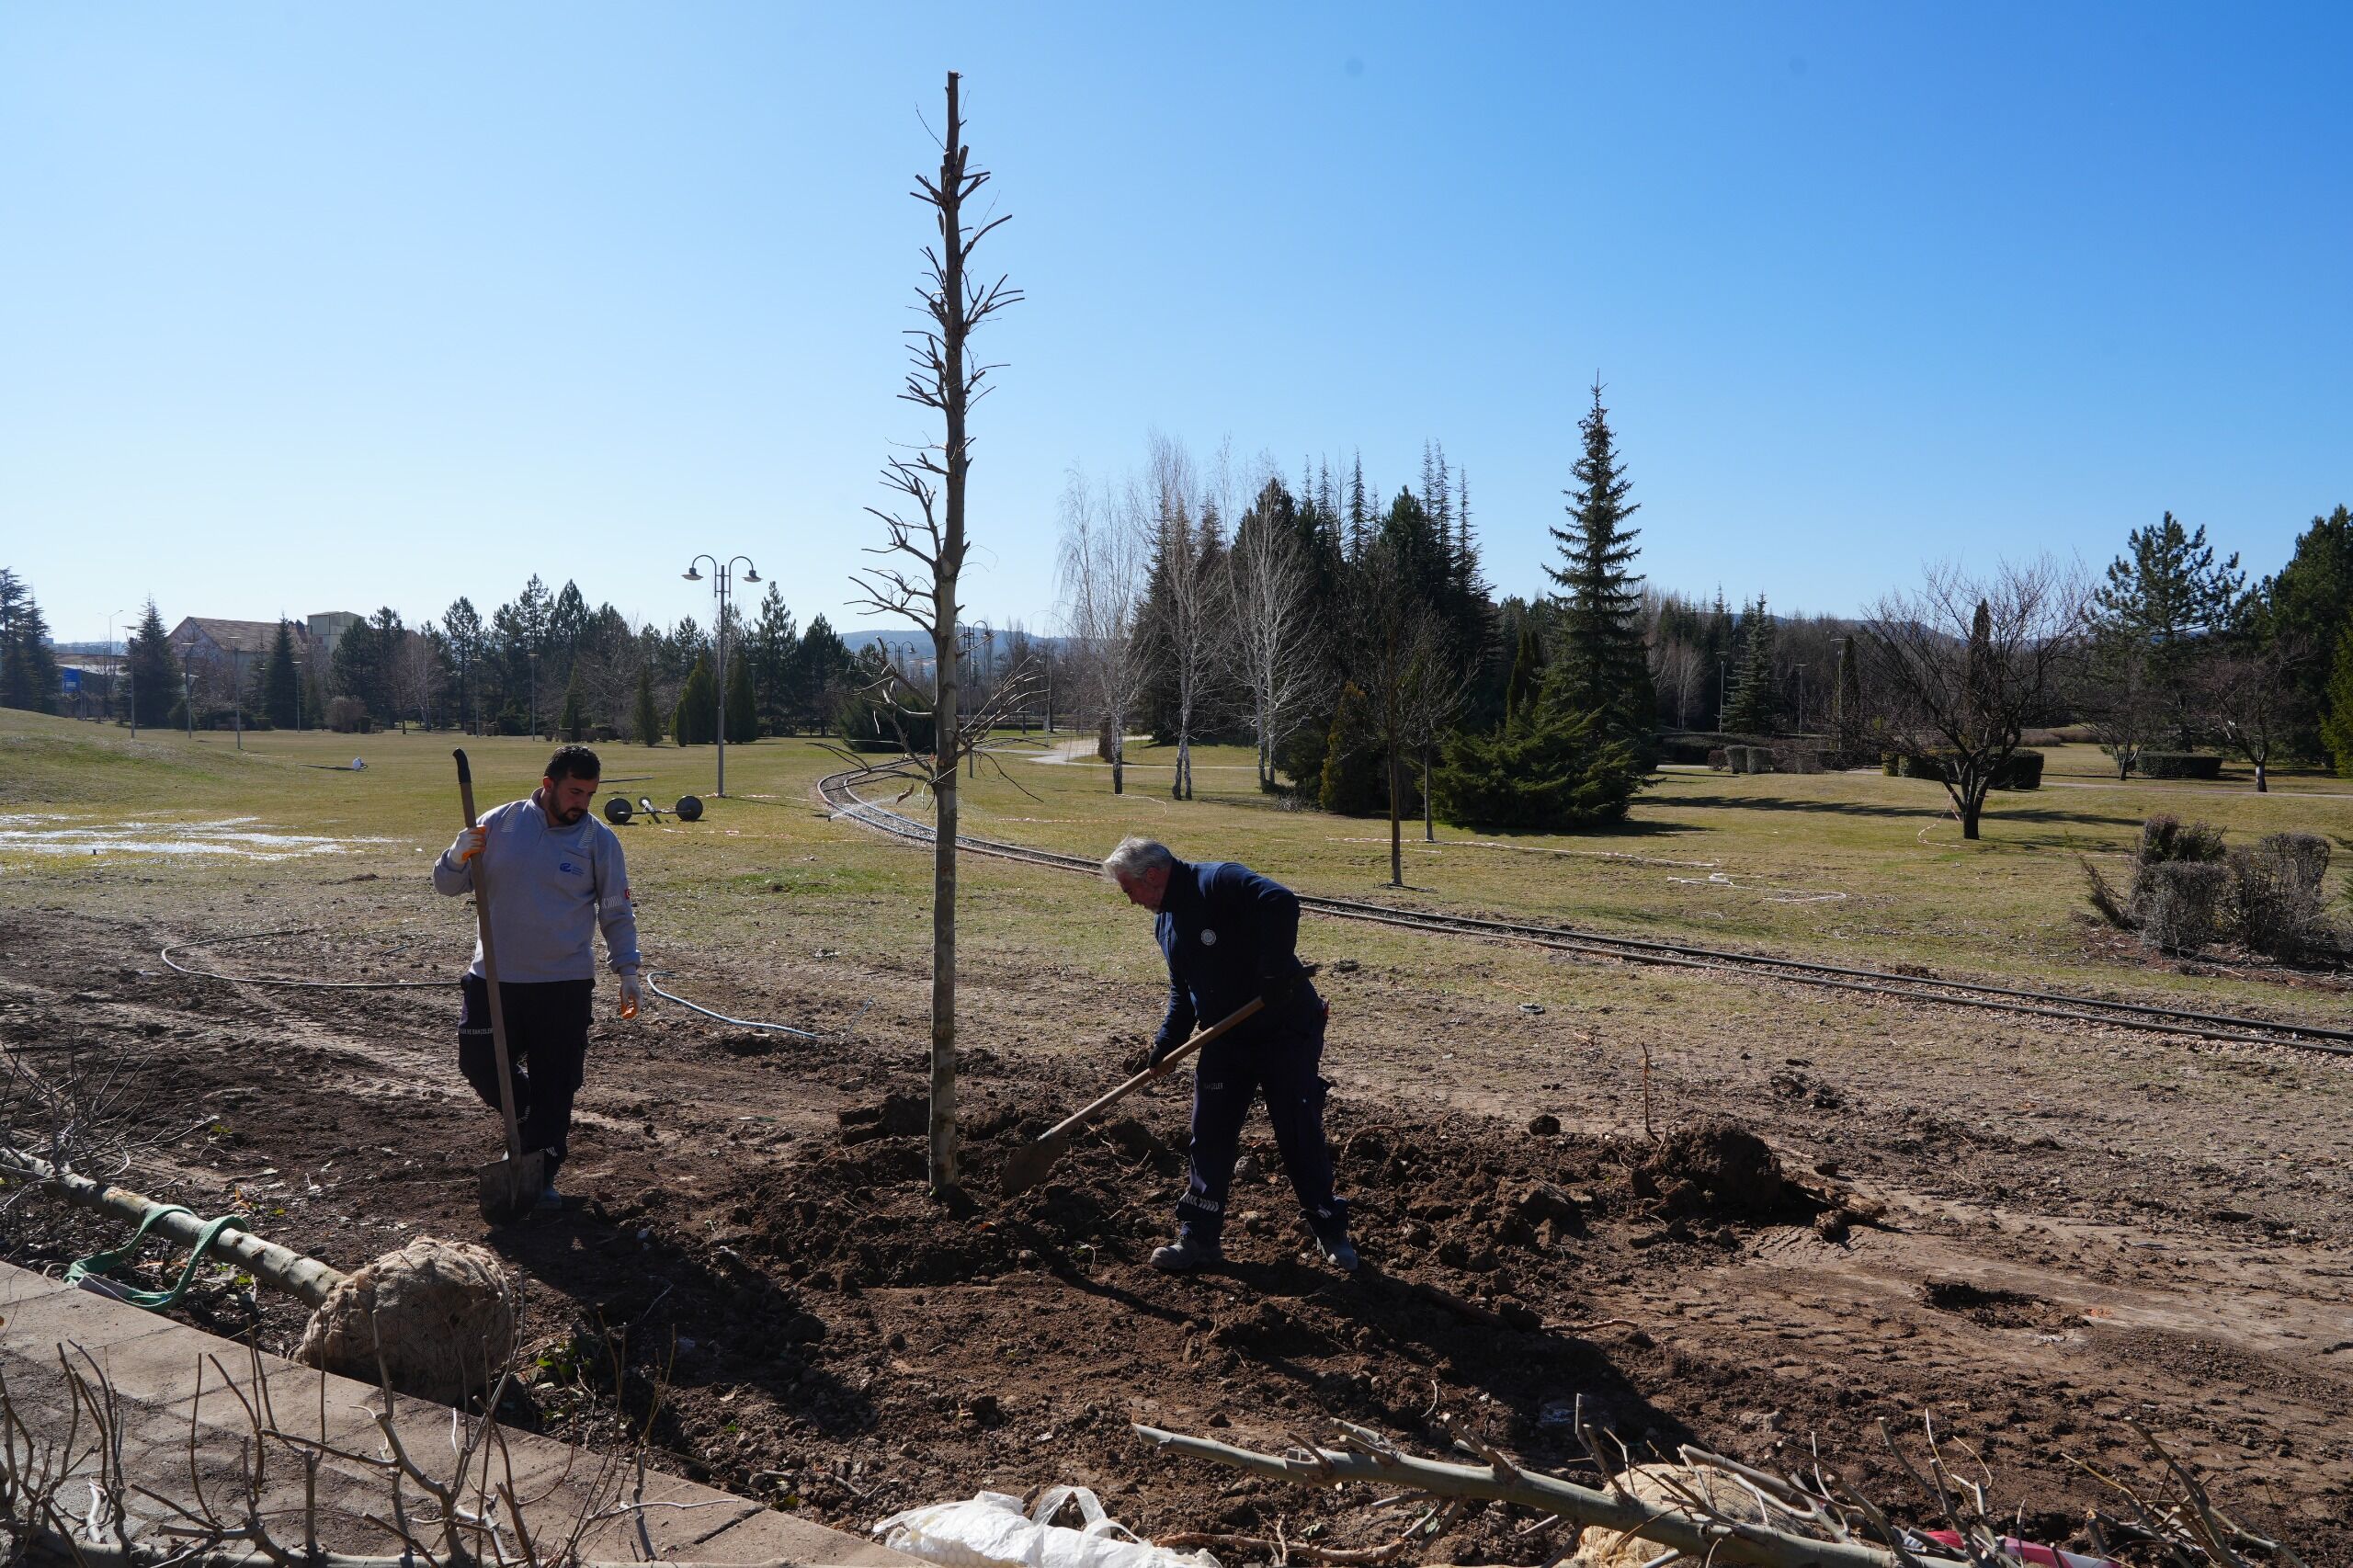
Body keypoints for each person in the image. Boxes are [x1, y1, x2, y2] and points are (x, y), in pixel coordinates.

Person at [1101, 835, 1355, 1273]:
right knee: (1210, 1134)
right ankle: (1199, 1238)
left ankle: (1330, 1229)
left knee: (1297, 1130)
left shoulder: (1217, 880)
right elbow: (1184, 993)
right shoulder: (1166, 924)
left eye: (1129, 890)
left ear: (1154, 876)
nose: (1131, 901)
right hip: (1224, 1037)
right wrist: (1166, 1044)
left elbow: (1281, 901)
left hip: (1285, 1030)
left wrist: (1274, 971)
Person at [434, 744, 641, 1210]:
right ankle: (532, 1129)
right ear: (547, 785)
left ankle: (541, 1172)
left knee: (558, 1081)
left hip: (564, 984)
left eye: (589, 794)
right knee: (480, 1064)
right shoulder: (500, 823)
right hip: (494, 979)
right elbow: (447, 886)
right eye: (574, 791)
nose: (581, 803)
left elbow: (615, 910)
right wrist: (456, 854)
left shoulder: (599, 841)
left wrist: (628, 971)